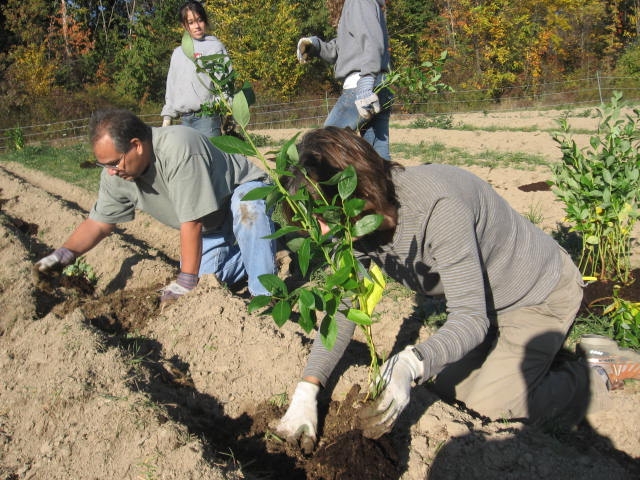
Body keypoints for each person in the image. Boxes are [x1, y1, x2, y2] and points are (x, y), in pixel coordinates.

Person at [275, 126, 640, 449]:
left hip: (537, 295)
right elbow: (344, 307)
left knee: (494, 408)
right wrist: (308, 389)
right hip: (485, 303)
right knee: (444, 392)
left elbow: (469, 318)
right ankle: (538, 360)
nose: (324, 231)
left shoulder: (438, 207)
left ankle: (600, 370)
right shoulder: (353, 226)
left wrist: (410, 362)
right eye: (314, 219)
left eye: (325, 215)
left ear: (360, 186)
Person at [34, 109, 276, 301]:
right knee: (208, 281)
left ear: (137, 145)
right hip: (211, 225)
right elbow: (99, 224)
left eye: (114, 162)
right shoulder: (116, 174)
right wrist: (63, 255)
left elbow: (191, 222)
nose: (110, 171)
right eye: (104, 165)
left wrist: (185, 281)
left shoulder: (178, 148)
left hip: (237, 193)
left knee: (248, 211)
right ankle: (267, 246)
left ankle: (264, 295)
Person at [296, 0, 393, 160]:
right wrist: (316, 45)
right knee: (378, 159)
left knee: (322, 146)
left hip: (362, 86)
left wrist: (366, 82)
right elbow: (343, 50)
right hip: (379, 85)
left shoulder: (358, 2)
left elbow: (372, 41)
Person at [161, 1, 230, 139]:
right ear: (184, 25)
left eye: (200, 20)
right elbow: (172, 86)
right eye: (191, 22)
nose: (197, 26)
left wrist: (226, 111)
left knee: (209, 153)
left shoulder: (215, 47)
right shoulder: (178, 53)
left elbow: (225, 82)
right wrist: (167, 117)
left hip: (208, 119)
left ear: (205, 21)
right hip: (184, 121)